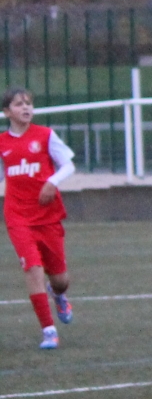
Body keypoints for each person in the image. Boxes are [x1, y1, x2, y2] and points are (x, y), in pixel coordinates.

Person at [0, 89, 76, 349]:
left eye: (29, 103)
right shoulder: (2, 143)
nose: (26, 108)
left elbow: (68, 164)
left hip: (47, 216)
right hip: (17, 217)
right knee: (33, 269)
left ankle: (59, 295)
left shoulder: (45, 135)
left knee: (60, 279)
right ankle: (48, 331)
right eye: (19, 104)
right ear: (7, 112)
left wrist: (51, 182)